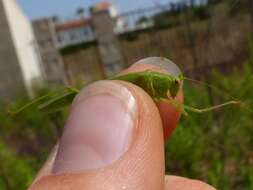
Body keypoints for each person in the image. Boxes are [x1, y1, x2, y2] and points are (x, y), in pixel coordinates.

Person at [29, 59, 216, 190]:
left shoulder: (157, 81)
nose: (176, 87)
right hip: (108, 98)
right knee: (71, 91)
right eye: (175, 83)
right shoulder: (151, 78)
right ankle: (26, 108)